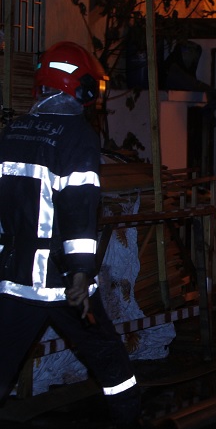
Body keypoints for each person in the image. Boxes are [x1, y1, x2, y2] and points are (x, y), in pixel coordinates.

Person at [0, 41, 140, 428]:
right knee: (107, 356)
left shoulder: (13, 131)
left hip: (14, 278)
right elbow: (79, 207)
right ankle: (129, 418)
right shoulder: (77, 134)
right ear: (81, 87)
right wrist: (80, 272)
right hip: (62, 281)